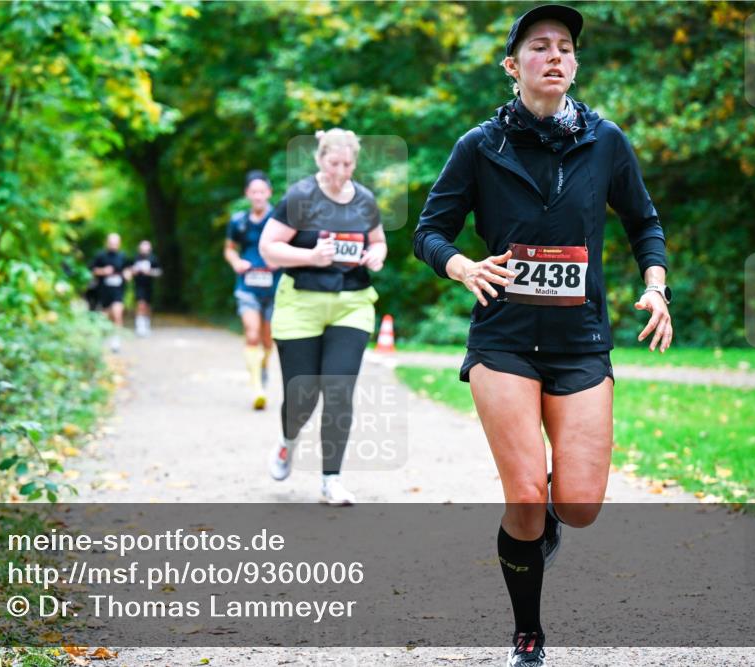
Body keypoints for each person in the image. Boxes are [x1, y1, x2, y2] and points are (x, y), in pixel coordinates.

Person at [413, 5, 673, 665]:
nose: (554, 55)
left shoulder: (605, 140)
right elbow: (429, 231)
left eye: (564, 47)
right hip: (503, 339)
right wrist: (461, 263)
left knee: (577, 505)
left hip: (582, 341)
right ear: (513, 65)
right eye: (538, 46)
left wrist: (655, 285)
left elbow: (644, 221)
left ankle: (550, 518)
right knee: (525, 495)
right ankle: (527, 631)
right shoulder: (479, 146)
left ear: (575, 64)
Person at [259, 129, 388, 506]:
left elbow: (378, 241)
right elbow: (269, 248)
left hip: (352, 303)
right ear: (320, 160)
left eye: (348, 164)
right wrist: (310, 256)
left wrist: (377, 255)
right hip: (300, 304)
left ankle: (332, 479)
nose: (341, 171)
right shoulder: (300, 197)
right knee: (302, 396)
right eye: (334, 163)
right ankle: (287, 441)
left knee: (338, 390)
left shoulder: (364, 200)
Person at [224, 171, 281, 409]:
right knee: (251, 333)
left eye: (262, 191)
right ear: (247, 194)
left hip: (275, 285)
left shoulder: (279, 218)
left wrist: (279, 259)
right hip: (247, 286)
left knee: (269, 339)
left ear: (269, 193)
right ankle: (257, 387)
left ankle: (264, 367)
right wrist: (237, 262)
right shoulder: (238, 221)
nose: (258, 196)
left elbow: (291, 243)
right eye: (253, 192)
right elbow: (229, 249)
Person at [91, 233, 129, 353]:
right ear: (107, 243)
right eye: (111, 243)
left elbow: (129, 269)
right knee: (105, 316)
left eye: (116, 243)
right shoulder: (100, 256)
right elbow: (92, 269)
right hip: (104, 291)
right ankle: (102, 340)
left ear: (119, 244)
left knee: (117, 313)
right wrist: (103, 271)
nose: (113, 245)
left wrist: (128, 274)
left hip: (118, 290)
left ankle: (116, 341)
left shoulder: (123, 256)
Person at [130, 239, 162, 337]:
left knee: (147, 305)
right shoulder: (135, 258)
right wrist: (134, 271)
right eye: (142, 247)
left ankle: (146, 325)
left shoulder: (153, 258)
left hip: (149, 285)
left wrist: (149, 272)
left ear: (149, 248)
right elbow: (128, 270)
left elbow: (159, 272)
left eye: (146, 247)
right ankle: (139, 326)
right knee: (140, 304)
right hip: (138, 285)